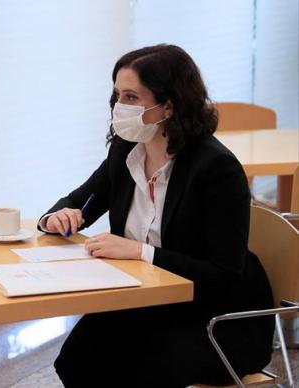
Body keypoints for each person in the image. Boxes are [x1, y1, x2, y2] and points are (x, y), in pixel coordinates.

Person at [38, 44, 274, 387]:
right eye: (118, 95)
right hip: (148, 304)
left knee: (140, 366)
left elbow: (223, 275)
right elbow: (77, 202)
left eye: (132, 97)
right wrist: (57, 217)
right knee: (77, 357)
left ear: (169, 105)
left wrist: (141, 252)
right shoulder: (126, 152)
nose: (120, 106)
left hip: (217, 318)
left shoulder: (216, 169)